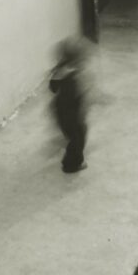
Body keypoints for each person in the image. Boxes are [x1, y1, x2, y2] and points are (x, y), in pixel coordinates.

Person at [48, 36, 89, 173]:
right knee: (78, 138)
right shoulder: (71, 77)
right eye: (82, 58)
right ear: (76, 59)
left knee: (74, 133)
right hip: (69, 114)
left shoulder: (62, 70)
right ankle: (71, 164)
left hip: (61, 111)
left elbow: (53, 88)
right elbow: (75, 99)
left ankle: (68, 138)